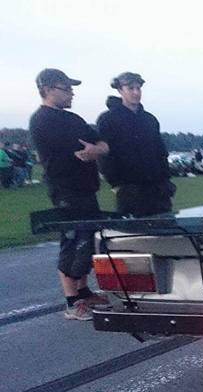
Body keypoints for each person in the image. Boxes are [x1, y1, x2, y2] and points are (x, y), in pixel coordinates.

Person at [29, 68, 110, 320]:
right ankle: (72, 301)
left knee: (88, 239)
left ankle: (84, 290)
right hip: (65, 189)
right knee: (73, 240)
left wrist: (96, 150)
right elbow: (64, 153)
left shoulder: (73, 119)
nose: (71, 93)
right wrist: (84, 153)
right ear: (48, 89)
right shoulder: (41, 120)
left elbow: (101, 144)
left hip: (87, 188)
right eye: (66, 88)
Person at [96, 72, 175, 217]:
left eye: (138, 88)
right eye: (131, 88)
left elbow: (160, 152)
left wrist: (166, 180)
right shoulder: (108, 119)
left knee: (166, 226)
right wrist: (116, 184)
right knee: (135, 229)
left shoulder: (150, 120)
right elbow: (104, 154)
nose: (136, 92)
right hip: (129, 190)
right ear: (120, 90)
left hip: (158, 189)